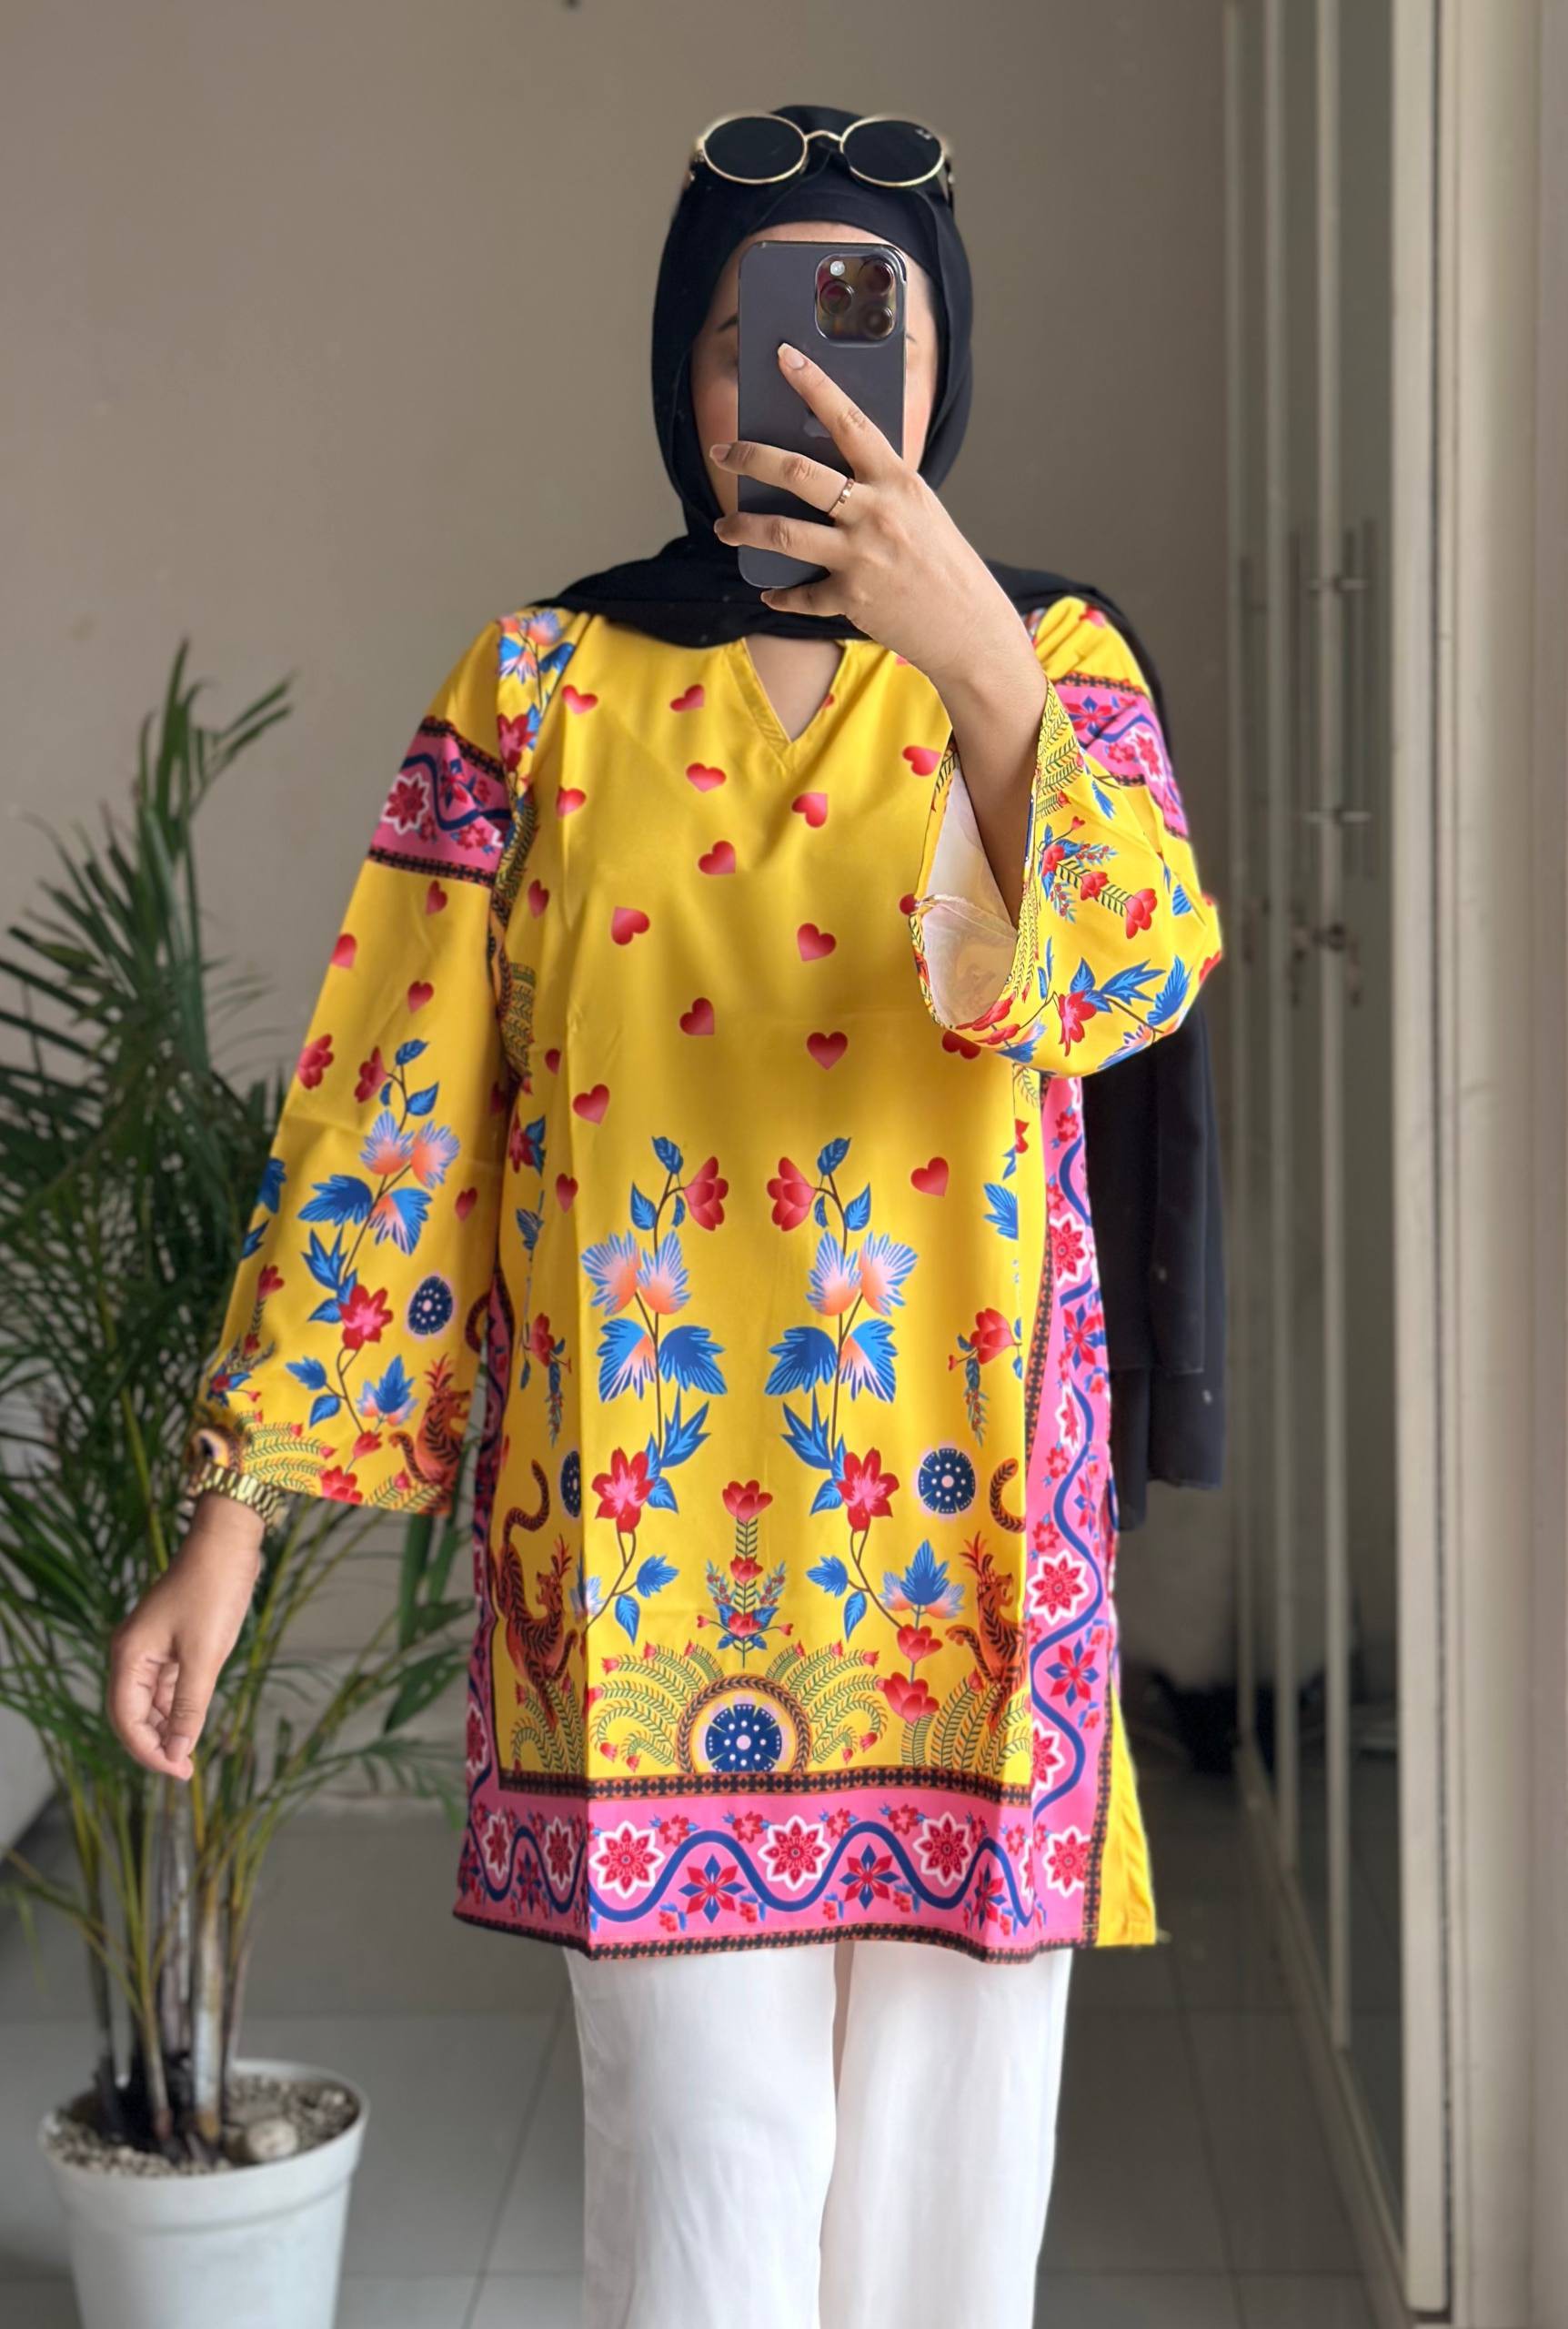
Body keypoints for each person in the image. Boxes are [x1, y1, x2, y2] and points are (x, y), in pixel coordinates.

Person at [108, 101, 1221, 2328]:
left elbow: (1124, 983)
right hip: (639, 1573)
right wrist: (231, 1522)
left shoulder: (1057, 662)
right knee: (703, 2209)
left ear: (939, 360)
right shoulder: (534, 688)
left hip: (971, 1569)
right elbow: (391, 1120)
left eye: (858, 324)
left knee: (949, 2226)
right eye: (741, 333)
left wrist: (981, 663)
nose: (793, 377)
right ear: (671, 368)